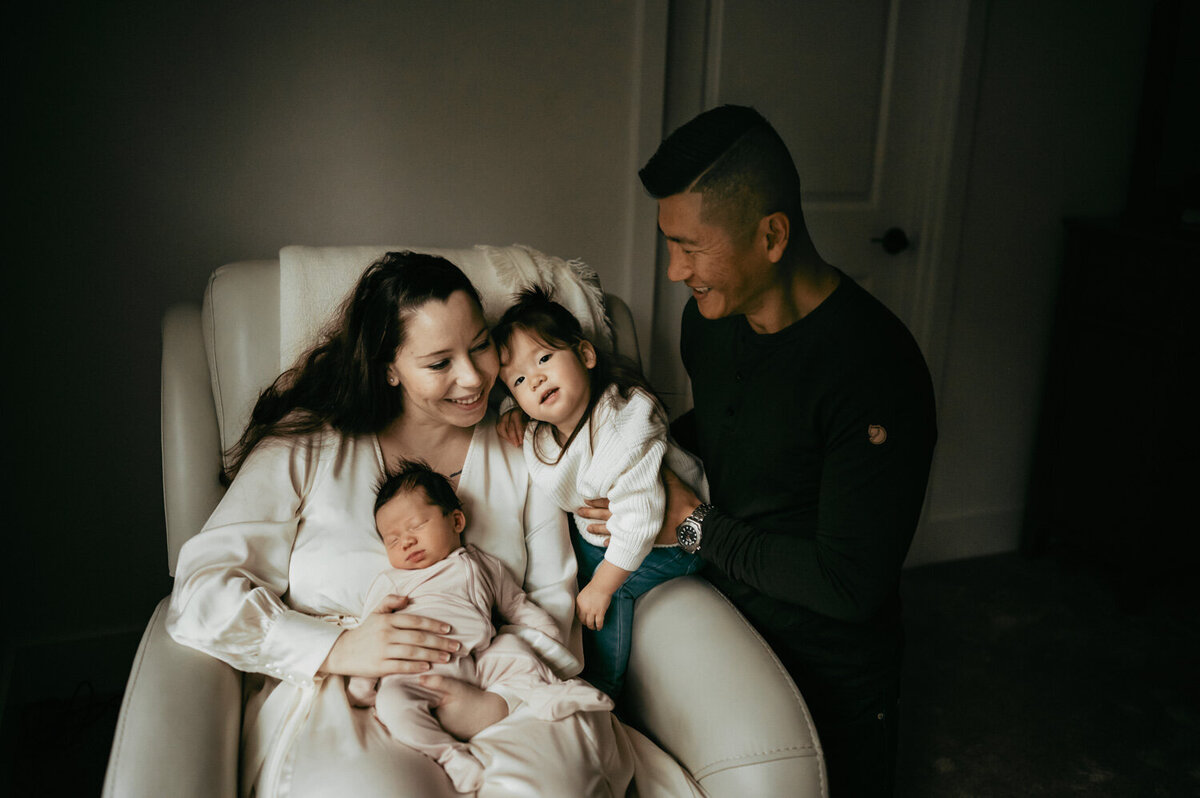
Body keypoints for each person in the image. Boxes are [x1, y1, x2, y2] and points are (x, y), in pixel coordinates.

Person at [165, 251, 645, 797]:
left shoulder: (525, 446)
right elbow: (201, 590)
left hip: (505, 685)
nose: (472, 378)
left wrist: (497, 700)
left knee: (558, 784)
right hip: (353, 695)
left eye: (481, 346)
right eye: (439, 363)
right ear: (389, 366)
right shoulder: (309, 446)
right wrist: (336, 648)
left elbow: (552, 603)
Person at [624, 105, 938, 796]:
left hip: (832, 661)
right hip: (727, 619)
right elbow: (735, 422)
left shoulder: (873, 370)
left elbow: (849, 584)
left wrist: (696, 526)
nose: (675, 271)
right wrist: (637, 460)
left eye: (690, 246)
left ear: (771, 235)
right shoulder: (707, 322)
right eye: (668, 244)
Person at [491, 287, 707, 698]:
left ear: (586, 356)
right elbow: (520, 404)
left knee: (603, 596)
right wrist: (512, 412)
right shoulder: (541, 425)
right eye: (519, 379)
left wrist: (602, 586)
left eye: (544, 358)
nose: (535, 378)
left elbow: (641, 518)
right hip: (609, 529)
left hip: (667, 539)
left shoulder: (624, 429)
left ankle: (606, 685)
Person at [346, 460, 612, 793]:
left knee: (514, 649)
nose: (406, 543)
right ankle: (448, 755)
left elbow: (515, 605)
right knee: (392, 703)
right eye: (392, 539)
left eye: (416, 526)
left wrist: (548, 635)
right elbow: (370, 633)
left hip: (479, 659)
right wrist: (362, 681)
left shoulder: (483, 564)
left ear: (456, 520)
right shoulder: (392, 582)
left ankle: (548, 693)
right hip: (414, 669)